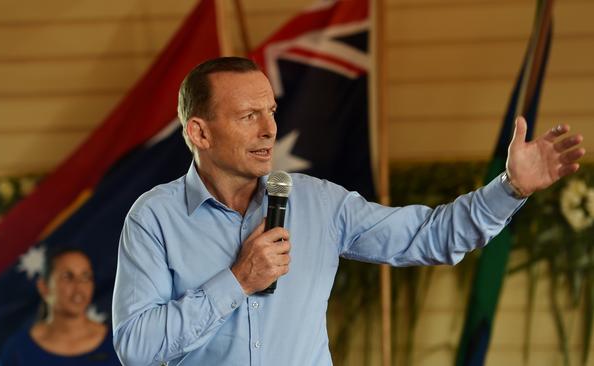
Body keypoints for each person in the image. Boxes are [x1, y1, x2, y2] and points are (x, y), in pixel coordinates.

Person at [111, 57, 585, 365]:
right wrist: (237, 281)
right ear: (199, 132)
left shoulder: (320, 204)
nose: (269, 129)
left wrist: (511, 188)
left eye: (271, 111)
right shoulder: (153, 219)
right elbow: (137, 347)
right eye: (247, 116)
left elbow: (430, 236)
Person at [0, 247, 120, 366]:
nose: (79, 288)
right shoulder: (19, 350)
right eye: (67, 277)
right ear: (44, 287)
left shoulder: (117, 343)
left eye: (85, 277)